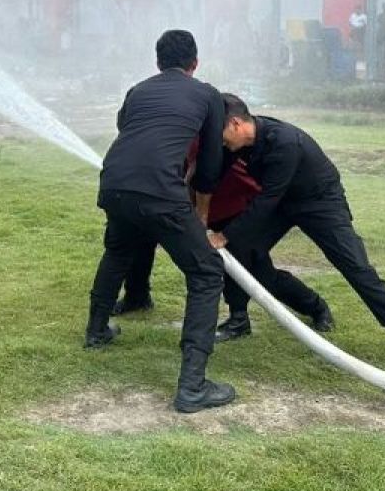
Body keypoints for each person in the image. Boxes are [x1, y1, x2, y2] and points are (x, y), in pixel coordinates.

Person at [208, 94, 385, 374]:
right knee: (242, 251)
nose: (221, 142)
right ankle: (241, 319)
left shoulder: (284, 142)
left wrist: (224, 234)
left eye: (221, 134)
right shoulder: (240, 145)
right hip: (284, 202)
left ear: (236, 124)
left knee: (356, 267)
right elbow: (212, 173)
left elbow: (266, 200)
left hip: (320, 201)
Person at [85, 29, 235, 413]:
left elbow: (128, 130)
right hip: (160, 192)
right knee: (205, 274)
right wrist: (201, 211)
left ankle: (97, 331)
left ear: (157, 62)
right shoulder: (207, 94)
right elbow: (212, 162)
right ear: (195, 63)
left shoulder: (138, 90)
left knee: (118, 252)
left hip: (114, 183)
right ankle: (192, 388)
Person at [113, 139, 335, 342]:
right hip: (203, 212)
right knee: (141, 239)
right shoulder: (168, 137)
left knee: (255, 272)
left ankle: (314, 308)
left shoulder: (207, 138)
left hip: (237, 212)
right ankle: (137, 296)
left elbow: (199, 175)